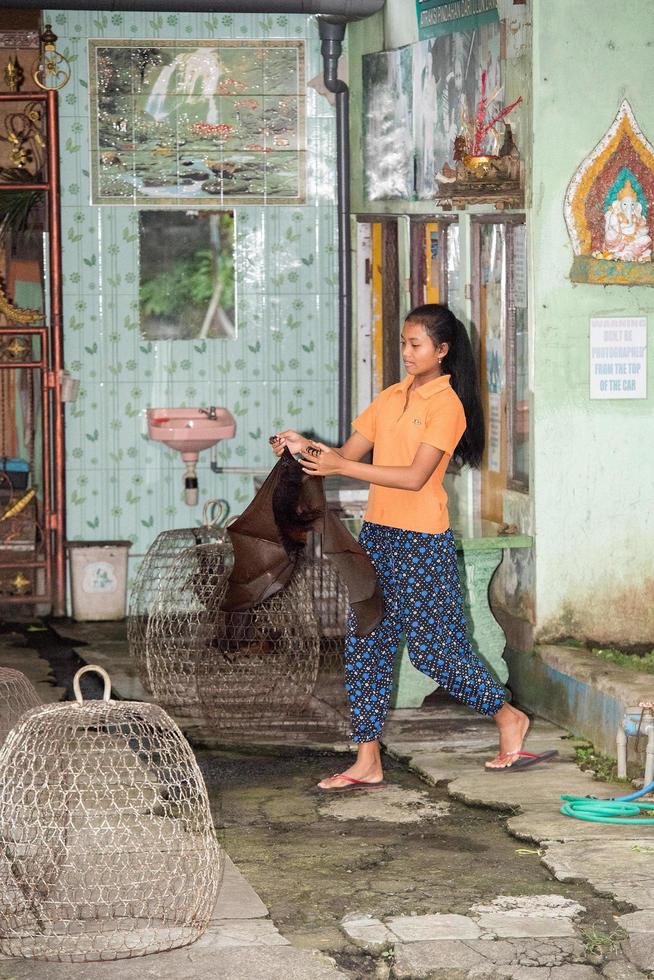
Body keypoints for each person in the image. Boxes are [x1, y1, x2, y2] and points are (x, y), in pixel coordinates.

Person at [271, 304, 538, 789]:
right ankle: (367, 758)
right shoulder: (391, 397)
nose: (407, 353)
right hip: (377, 538)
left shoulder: (447, 406)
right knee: (366, 647)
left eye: (417, 345)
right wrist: (301, 448)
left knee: (437, 654)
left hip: (421, 543)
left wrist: (341, 469)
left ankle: (507, 717)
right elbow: (344, 456)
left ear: (442, 350)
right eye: (403, 343)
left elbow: (415, 478)